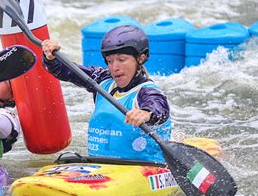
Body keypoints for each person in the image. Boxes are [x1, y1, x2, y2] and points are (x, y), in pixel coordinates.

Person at [41, 25, 171, 163]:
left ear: (141, 58)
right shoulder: (102, 80)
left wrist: (146, 113)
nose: (115, 67)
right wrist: (51, 58)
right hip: (101, 165)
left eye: (122, 60)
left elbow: (159, 108)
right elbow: (67, 71)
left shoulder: (148, 91)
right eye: (110, 61)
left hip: (141, 166)